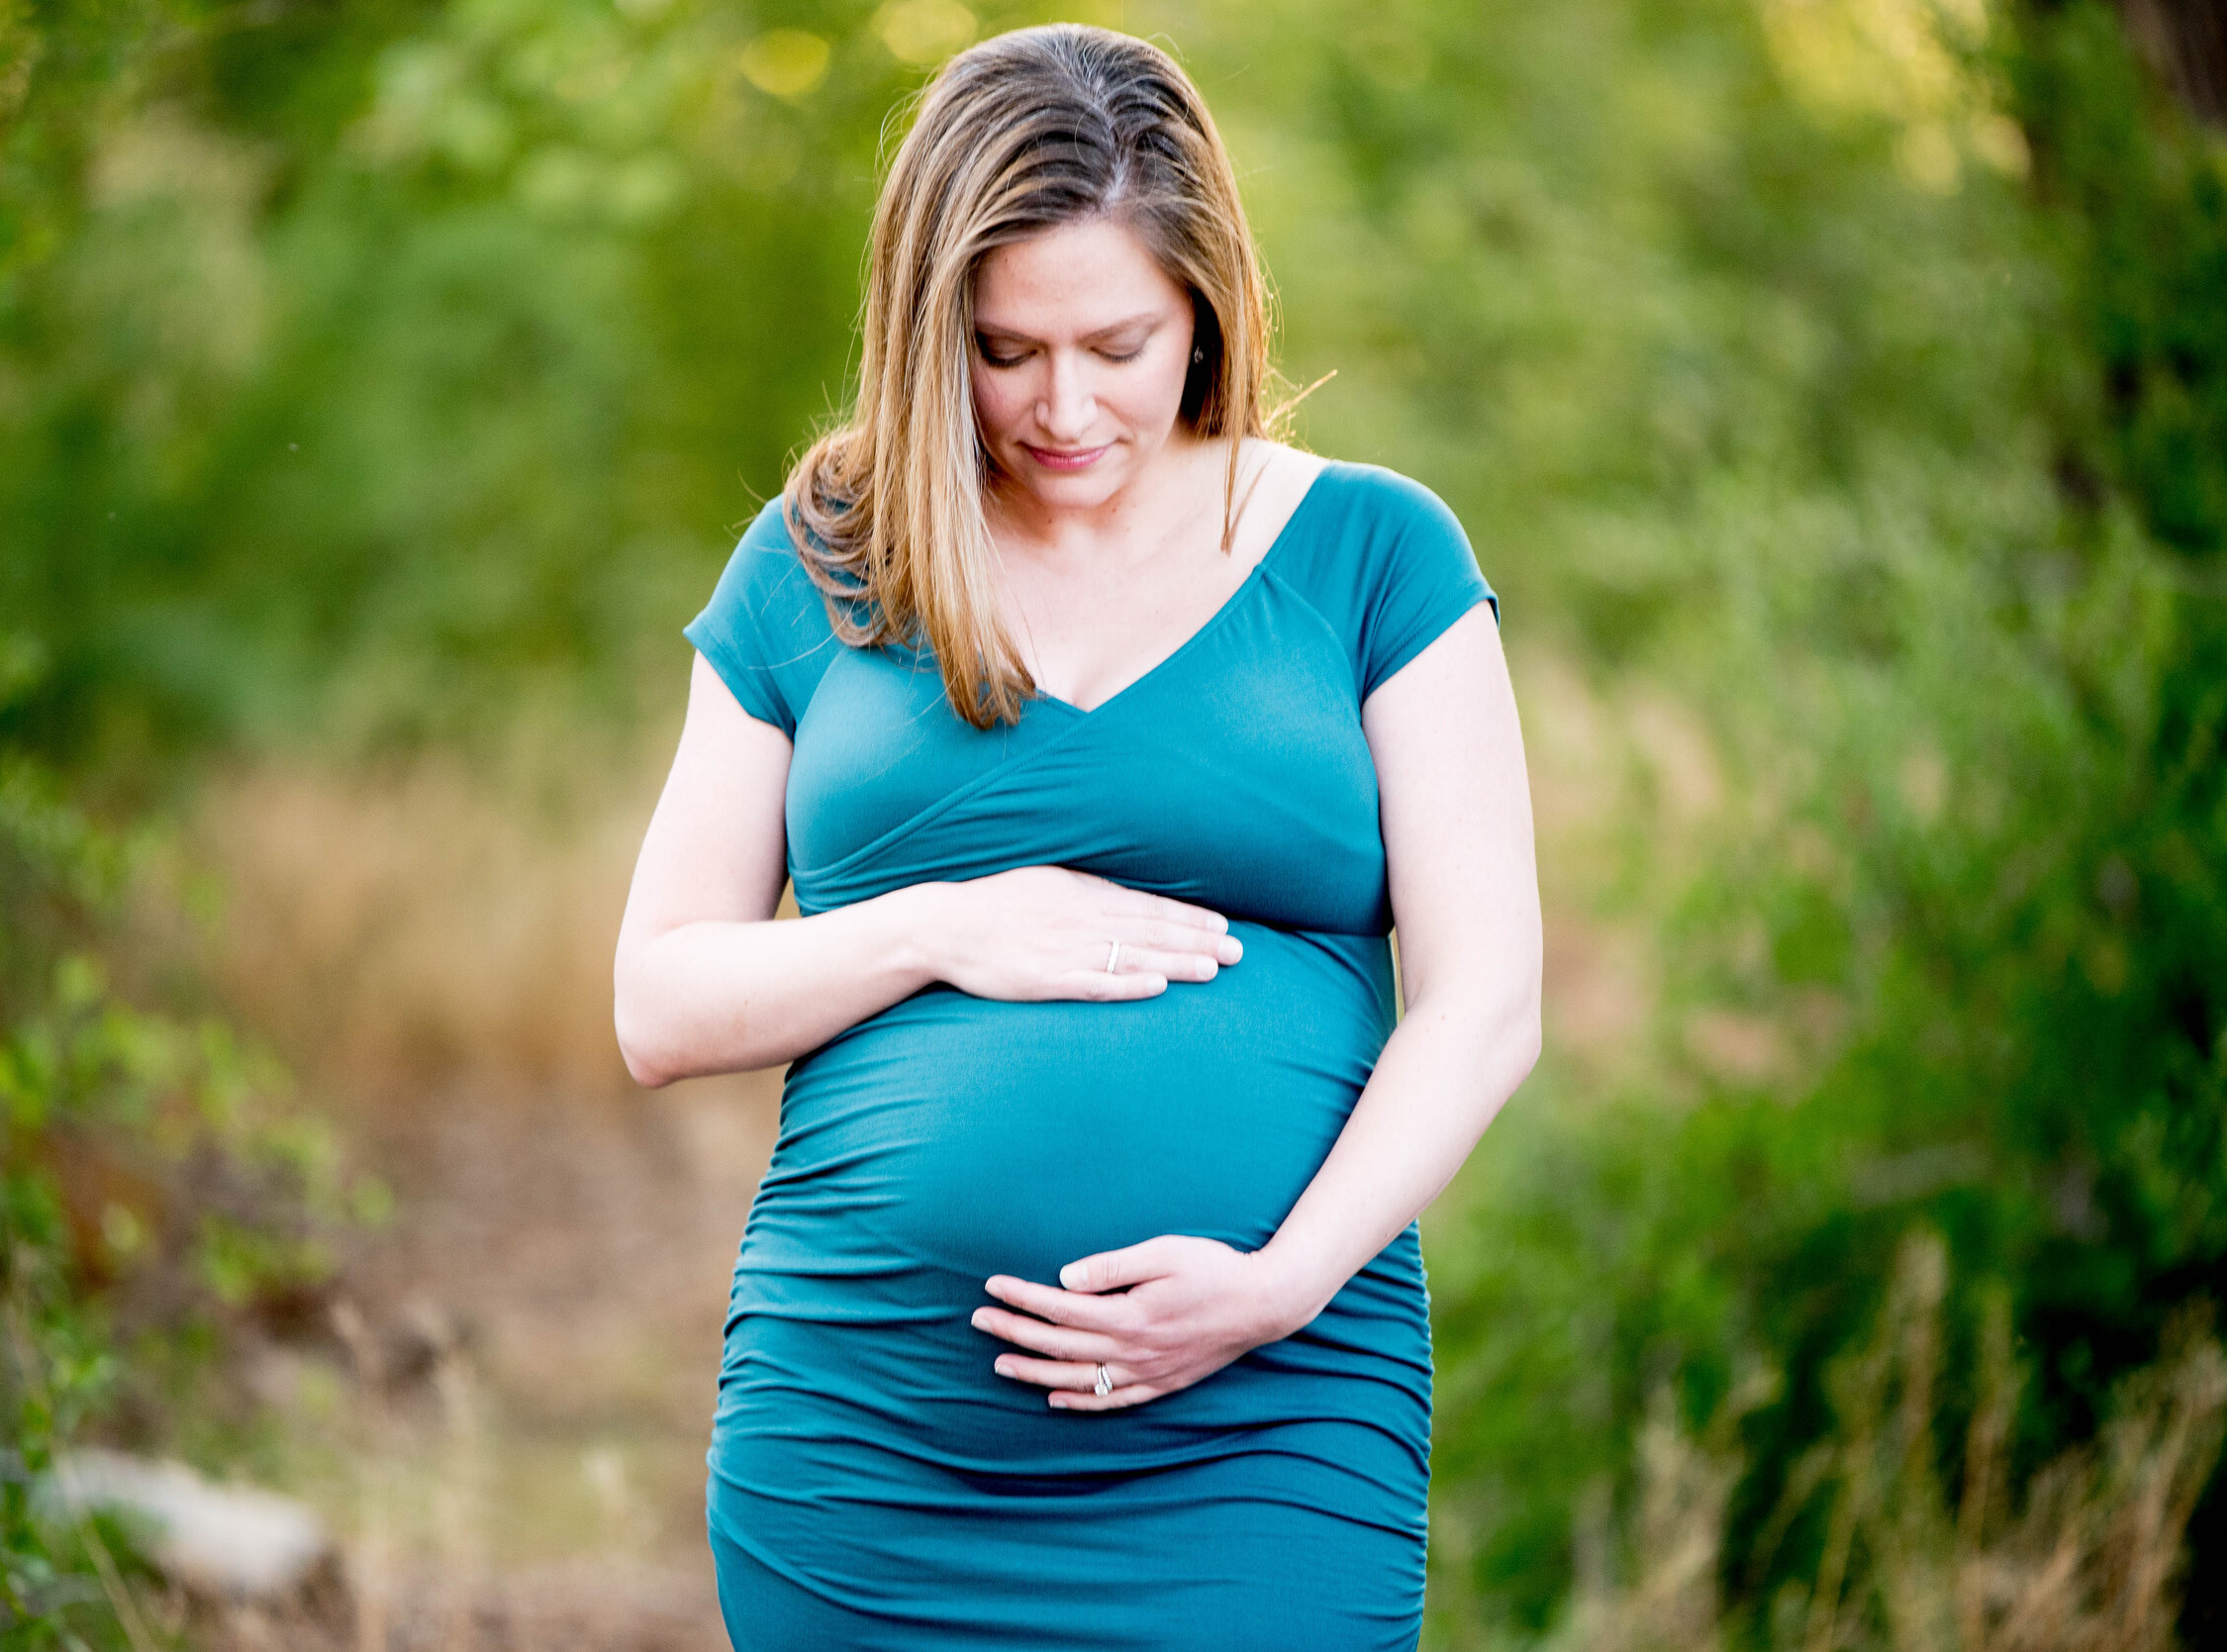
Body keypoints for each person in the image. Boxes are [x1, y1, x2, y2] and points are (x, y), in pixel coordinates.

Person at [613, 23, 1541, 1651]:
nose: (1059, 407)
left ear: (1206, 309)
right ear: (925, 331)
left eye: (1114, 343)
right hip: (870, 1445)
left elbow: (1487, 999)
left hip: (1271, 1414)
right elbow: (659, 1001)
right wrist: (934, 924)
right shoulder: (827, 558)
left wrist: (1282, 1282)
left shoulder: (1376, 552)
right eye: (1001, 348)